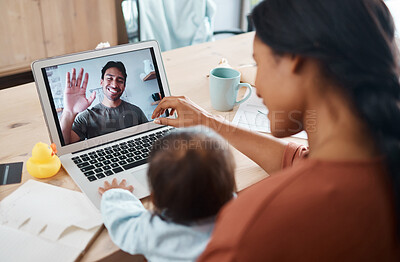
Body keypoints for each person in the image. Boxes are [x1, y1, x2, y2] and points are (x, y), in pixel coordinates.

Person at [151, 0, 400, 260]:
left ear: (295, 59)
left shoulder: (252, 228)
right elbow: (302, 162)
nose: (256, 85)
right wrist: (209, 122)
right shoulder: (378, 160)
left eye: (259, 64)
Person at [98, 128, 236, 261]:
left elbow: (123, 224)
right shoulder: (240, 220)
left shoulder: (153, 233)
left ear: (155, 199)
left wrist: (114, 194)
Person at [60, 61, 148, 144]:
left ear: (124, 86)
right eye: (109, 78)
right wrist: (69, 112)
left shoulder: (136, 111)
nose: (114, 85)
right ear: (101, 82)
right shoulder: (86, 117)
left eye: (120, 81)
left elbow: (149, 137)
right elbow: (65, 142)